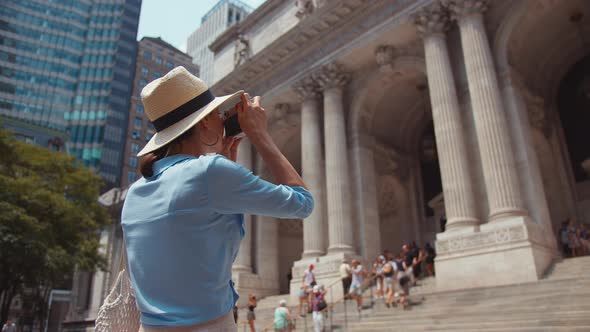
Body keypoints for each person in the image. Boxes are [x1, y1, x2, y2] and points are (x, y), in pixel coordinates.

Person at [121, 67, 314, 331]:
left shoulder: (134, 193)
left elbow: (197, 246)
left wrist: (225, 166)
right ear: (203, 122)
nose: (222, 120)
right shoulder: (210, 172)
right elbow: (302, 203)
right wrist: (260, 135)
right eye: (217, 114)